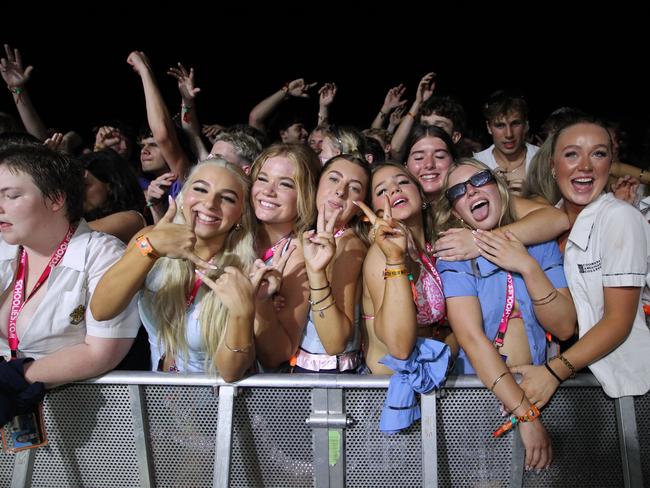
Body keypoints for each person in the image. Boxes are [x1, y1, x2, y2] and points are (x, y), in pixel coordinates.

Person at [435, 158, 577, 471]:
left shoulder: (539, 246)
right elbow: (471, 339)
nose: (471, 191)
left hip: (541, 391)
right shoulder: (454, 258)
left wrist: (526, 264)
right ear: (455, 211)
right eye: (458, 191)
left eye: (479, 179)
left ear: (498, 186)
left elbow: (565, 327)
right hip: (479, 399)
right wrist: (524, 412)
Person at [507, 118, 650, 405]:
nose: (585, 166)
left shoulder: (620, 218)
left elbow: (617, 322)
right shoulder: (548, 222)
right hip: (567, 383)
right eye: (572, 154)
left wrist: (553, 372)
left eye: (598, 154)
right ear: (551, 165)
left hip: (616, 389)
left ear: (610, 164)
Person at [0, 145, 140, 425]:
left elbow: (102, 353)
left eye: (11, 196)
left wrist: (20, 376)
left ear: (55, 199)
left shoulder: (103, 255)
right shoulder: (5, 249)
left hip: (92, 422)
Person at [90, 159, 262, 381]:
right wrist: (149, 249)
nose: (210, 203)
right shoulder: (149, 240)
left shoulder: (246, 269)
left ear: (240, 214)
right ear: (182, 197)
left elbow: (231, 373)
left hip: (218, 407)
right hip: (159, 404)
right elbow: (101, 310)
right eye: (200, 189)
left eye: (227, 198)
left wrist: (242, 313)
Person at [358, 162, 456, 374]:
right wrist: (395, 258)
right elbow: (400, 349)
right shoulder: (381, 254)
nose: (394, 189)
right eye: (382, 190)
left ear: (421, 197)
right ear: (374, 210)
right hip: (390, 394)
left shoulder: (432, 248)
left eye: (403, 182)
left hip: (430, 383)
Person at [294, 154, 370, 372]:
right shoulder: (309, 234)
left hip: (329, 374)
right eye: (334, 179)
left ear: (360, 206)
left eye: (354, 188)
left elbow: (335, 343)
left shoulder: (350, 245)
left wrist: (317, 276)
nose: (340, 190)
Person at [249, 144, 320, 369]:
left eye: (286, 184)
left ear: (306, 194)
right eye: (262, 179)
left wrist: (262, 305)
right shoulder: (234, 235)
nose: (268, 191)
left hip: (256, 392)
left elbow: (278, 353)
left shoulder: (298, 253)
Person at [474, 91, 538, 195]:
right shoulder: (477, 164)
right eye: (500, 125)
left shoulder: (543, 159)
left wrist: (532, 196)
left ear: (526, 125)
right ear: (489, 127)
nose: (509, 134)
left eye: (515, 123)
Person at [80, 150, 147, 242]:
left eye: (85, 185)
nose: (79, 191)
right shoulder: (86, 219)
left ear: (111, 185)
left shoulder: (132, 219)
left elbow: (70, 234)